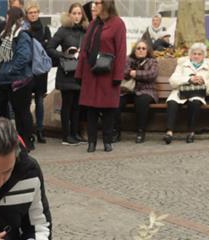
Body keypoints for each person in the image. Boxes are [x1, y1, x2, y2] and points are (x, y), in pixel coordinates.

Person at [75, 0, 126, 153]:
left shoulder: (117, 24)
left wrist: (118, 75)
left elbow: (121, 51)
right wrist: (80, 72)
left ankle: (107, 142)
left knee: (108, 110)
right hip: (91, 73)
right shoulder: (93, 24)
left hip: (107, 73)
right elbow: (84, 50)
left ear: (107, 4)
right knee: (91, 109)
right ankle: (91, 142)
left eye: (98, 3)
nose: (94, 6)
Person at [0, 8, 36, 151]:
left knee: (21, 112)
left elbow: (24, 57)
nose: (5, 20)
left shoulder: (21, 34)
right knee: (7, 111)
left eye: (7, 18)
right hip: (7, 80)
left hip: (20, 80)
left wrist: (10, 70)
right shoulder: (6, 35)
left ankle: (26, 141)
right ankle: (13, 140)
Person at [47, 3, 87, 145]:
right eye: (74, 13)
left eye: (79, 13)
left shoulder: (85, 31)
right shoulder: (63, 30)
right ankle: (66, 135)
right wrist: (64, 55)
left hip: (79, 73)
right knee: (67, 105)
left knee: (77, 106)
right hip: (66, 72)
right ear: (69, 15)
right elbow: (50, 48)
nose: (77, 16)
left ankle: (75, 133)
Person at [164, 42, 209, 144]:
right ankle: (169, 132)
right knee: (172, 102)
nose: (196, 56)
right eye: (194, 53)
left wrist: (203, 81)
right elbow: (173, 81)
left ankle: (191, 132)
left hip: (197, 93)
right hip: (180, 92)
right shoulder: (182, 65)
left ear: (203, 56)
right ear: (190, 55)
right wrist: (189, 79)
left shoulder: (208, 68)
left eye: (199, 54)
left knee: (195, 102)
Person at [117, 40, 157, 144]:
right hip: (128, 90)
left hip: (146, 90)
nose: (141, 50)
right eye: (138, 48)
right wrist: (131, 72)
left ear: (147, 51)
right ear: (134, 50)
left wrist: (136, 73)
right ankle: (116, 131)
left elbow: (151, 74)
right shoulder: (128, 59)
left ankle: (140, 132)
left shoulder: (152, 61)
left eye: (143, 48)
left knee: (141, 101)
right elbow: (122, 72)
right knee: (117, 102)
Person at [25, 3, 52, 144]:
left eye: (35, 12)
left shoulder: (44, 29)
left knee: (40, 100)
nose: (33, 14)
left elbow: (48, 47)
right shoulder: (23, 29)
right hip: (28, 70)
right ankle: (29, 129)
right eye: (31, 12)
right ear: (26, 14)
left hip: (40, 71)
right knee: (27, 101)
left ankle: (40, 129)